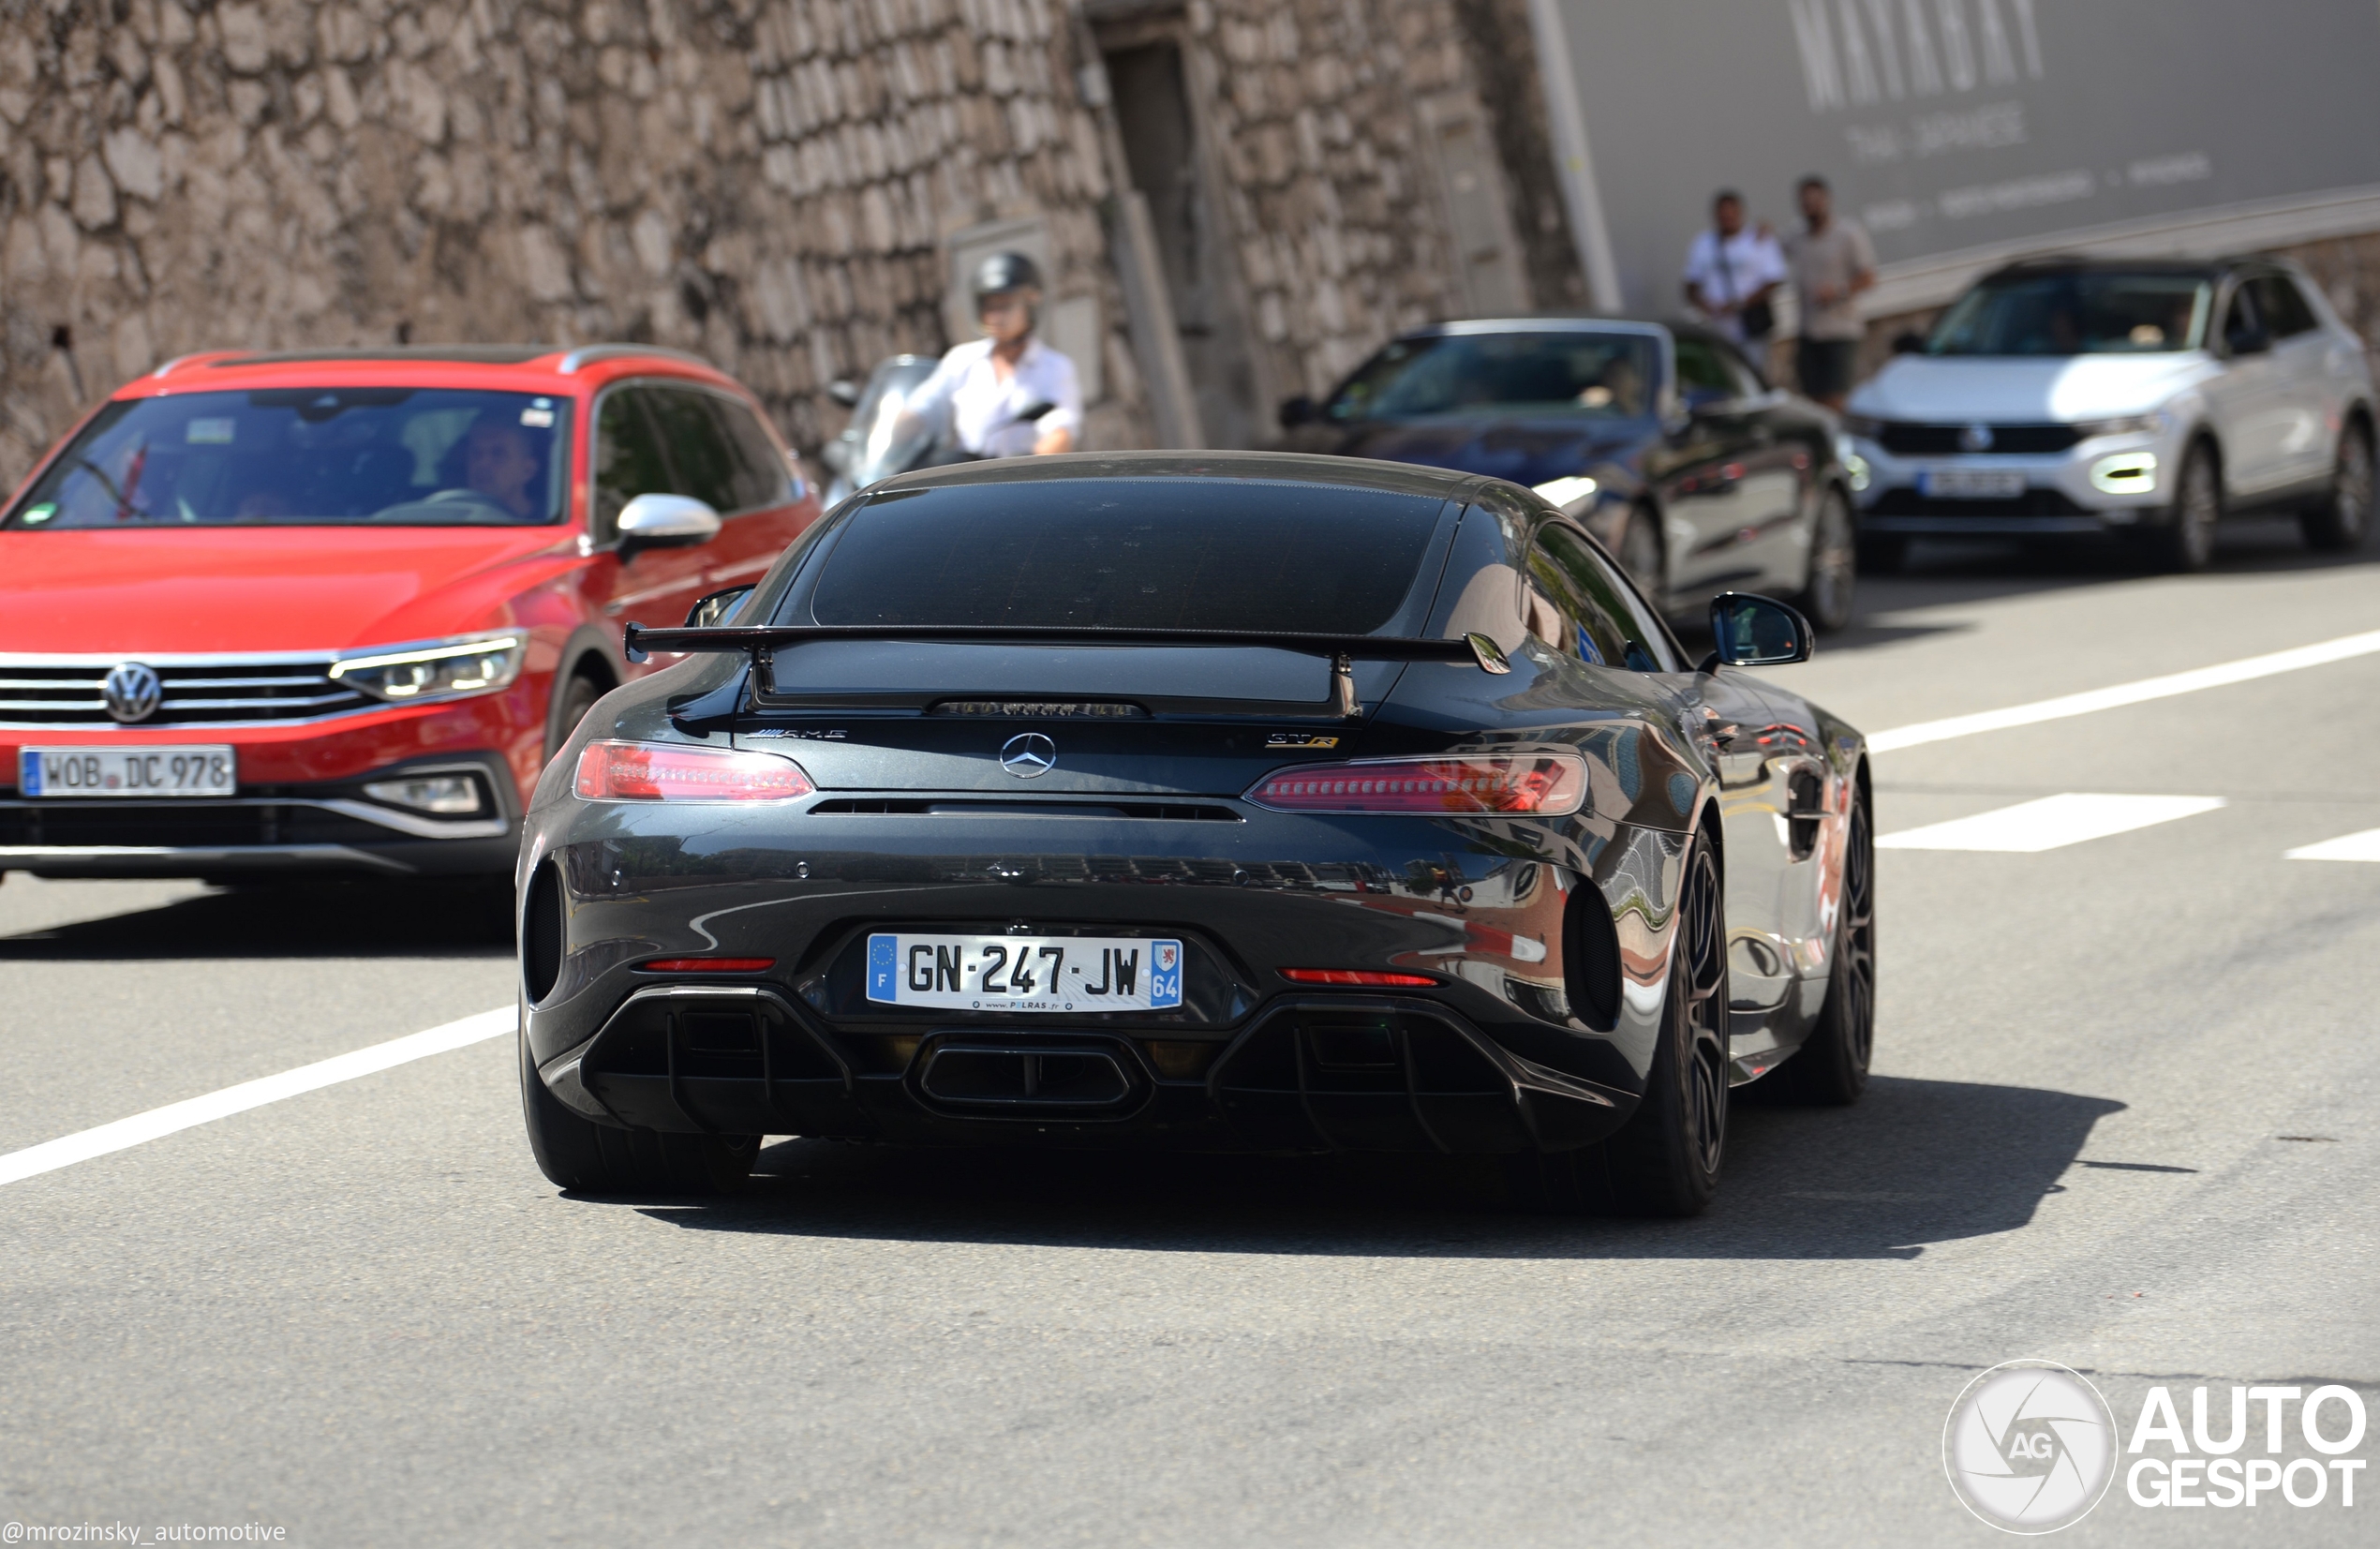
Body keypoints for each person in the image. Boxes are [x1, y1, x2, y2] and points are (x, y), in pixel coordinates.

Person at [901, 252, 1083, 458]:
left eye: (1005, 305)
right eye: (989, 306)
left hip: (1020, 481)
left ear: (1030, 304)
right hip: (966, 477)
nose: (996, 316)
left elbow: (1060, 431)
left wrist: (1029, 471)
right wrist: (889, 436)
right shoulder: (961, 360)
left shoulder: (1056, 368)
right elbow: (922, 408)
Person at [1782, 175, 1875, 410]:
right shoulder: (1796, 236)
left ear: (1827, 200)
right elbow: (1771, 254)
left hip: (1840, 330)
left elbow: (1868, 277)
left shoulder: (1848, 233)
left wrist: (1838, 291)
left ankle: (1839, 444)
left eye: (1815, 200)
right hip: (1809, 331)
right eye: (1806, 202)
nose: (1811, 206)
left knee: (1835, 398)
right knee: (1812, 399)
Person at [1681, 190, 1786, 354]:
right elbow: (1690, 283)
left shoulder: (1758, 240)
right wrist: (1705, 306)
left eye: (1731, 214)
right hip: (1715, 330)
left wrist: (1740, 304)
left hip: (1751, 327)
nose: (1727, 219)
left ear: (1740, 213)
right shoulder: (1703, 243)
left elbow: (1773, 280)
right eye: (1723, 214)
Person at [461, 419, 543, 518]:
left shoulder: (551, 522)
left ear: (528, 470)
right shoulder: (450, 518)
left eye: (498, 454)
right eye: (476, 453)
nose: (482, 463)